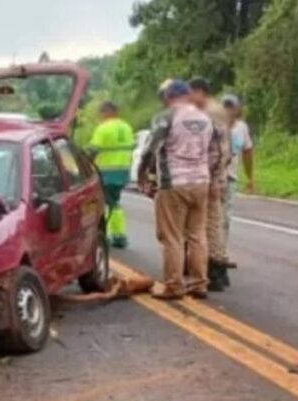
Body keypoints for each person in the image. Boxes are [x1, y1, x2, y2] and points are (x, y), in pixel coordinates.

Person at [141, 80, 215, 300]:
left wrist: (142, 174)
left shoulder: (166, 117)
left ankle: (174, 285)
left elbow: (150, 149)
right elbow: (211, 151)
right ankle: (200, 283)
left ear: (168, 97)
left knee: (172, 236)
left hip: (174, 183)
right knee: (198, 235)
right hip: (201, 181)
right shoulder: (204, 118)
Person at [189, 77, 232, 292]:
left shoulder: (210, 112)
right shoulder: (212, 111)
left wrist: (213, 179)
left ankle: (216, 271)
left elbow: (219, 149)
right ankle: (217, 270)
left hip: (211, 177)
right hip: (212, 175)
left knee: (210, 225)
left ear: (200, 92)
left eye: (191, 93)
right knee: (211, 223)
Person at [88, 101, 136, 248]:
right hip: (123, 172)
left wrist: (84, 163)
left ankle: (111, 235)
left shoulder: (103, 128)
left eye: (101, 113)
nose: (100, 116)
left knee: (107, 204)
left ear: (107, 112)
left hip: (106, 173)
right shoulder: (127, 127)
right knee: (114, 202)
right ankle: (118, 235)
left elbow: (93, 150)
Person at [222, 94, 255, 267]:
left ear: (237, 109)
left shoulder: (241, 128)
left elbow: (248, 152)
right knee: (208, 218)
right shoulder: (212, 125)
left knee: (225, 218)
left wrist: (250, 178)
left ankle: (221, 252)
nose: (228, 110)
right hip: (210, 178)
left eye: (231, 106)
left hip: (230, 177)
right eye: (225, 106)